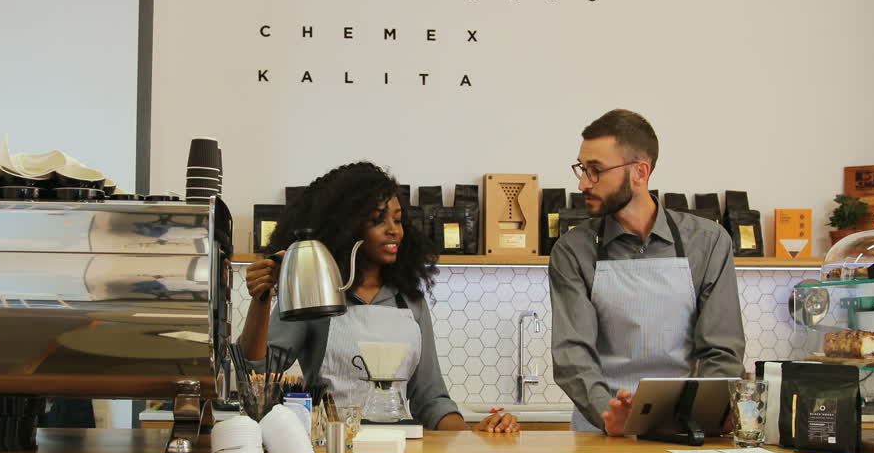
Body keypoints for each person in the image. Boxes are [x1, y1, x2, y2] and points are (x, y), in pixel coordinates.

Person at [239, 161, 518, 432]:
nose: (393, 230)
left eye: (397, 219)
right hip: (331, 448)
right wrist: (260, 301)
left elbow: (430, 399)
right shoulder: (319, 293)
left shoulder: (410, 301)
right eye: (377, 220)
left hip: (400, 451)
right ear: (345, 228)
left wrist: (470, 436)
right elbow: (260, 371)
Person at [549, 109, 744, 434]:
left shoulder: (707, 243)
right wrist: (607, 414)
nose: (583, 183)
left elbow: (721, 348)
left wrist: (701, 415)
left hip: (684, 429)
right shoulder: (572, 250)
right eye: (582, 169)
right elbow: (572, 353)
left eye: (596, 170)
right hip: (601, 434)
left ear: (640, 172)